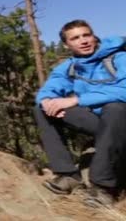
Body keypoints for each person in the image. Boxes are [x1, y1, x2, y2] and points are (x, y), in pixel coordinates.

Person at [35, 19, 126, 207]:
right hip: (102, 122)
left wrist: (77, 100)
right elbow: (49, 89)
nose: (83, 41)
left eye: (86, 35)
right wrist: (46, 101)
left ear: (94, 37)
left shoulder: (118, 57)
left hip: (121, 118)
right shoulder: (70, 67)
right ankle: (68, 175)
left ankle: (103, 187)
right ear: (67, 44)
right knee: (42, 109)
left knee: (114, 107)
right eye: (75, 38)